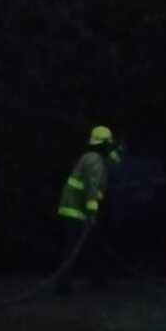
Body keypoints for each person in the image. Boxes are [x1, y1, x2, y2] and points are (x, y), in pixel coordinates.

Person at [55, 126, 123, 295]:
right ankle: (64, 285)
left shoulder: (96, 158)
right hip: (76, 210)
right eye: (109, 144)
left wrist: (117, 151)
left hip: (78, 209)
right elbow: (92, 189)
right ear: (104, 144)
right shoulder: (94, 160)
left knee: (92, 245)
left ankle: (97, 279)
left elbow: (114, 164)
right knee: (73, 248)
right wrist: (92, 213)